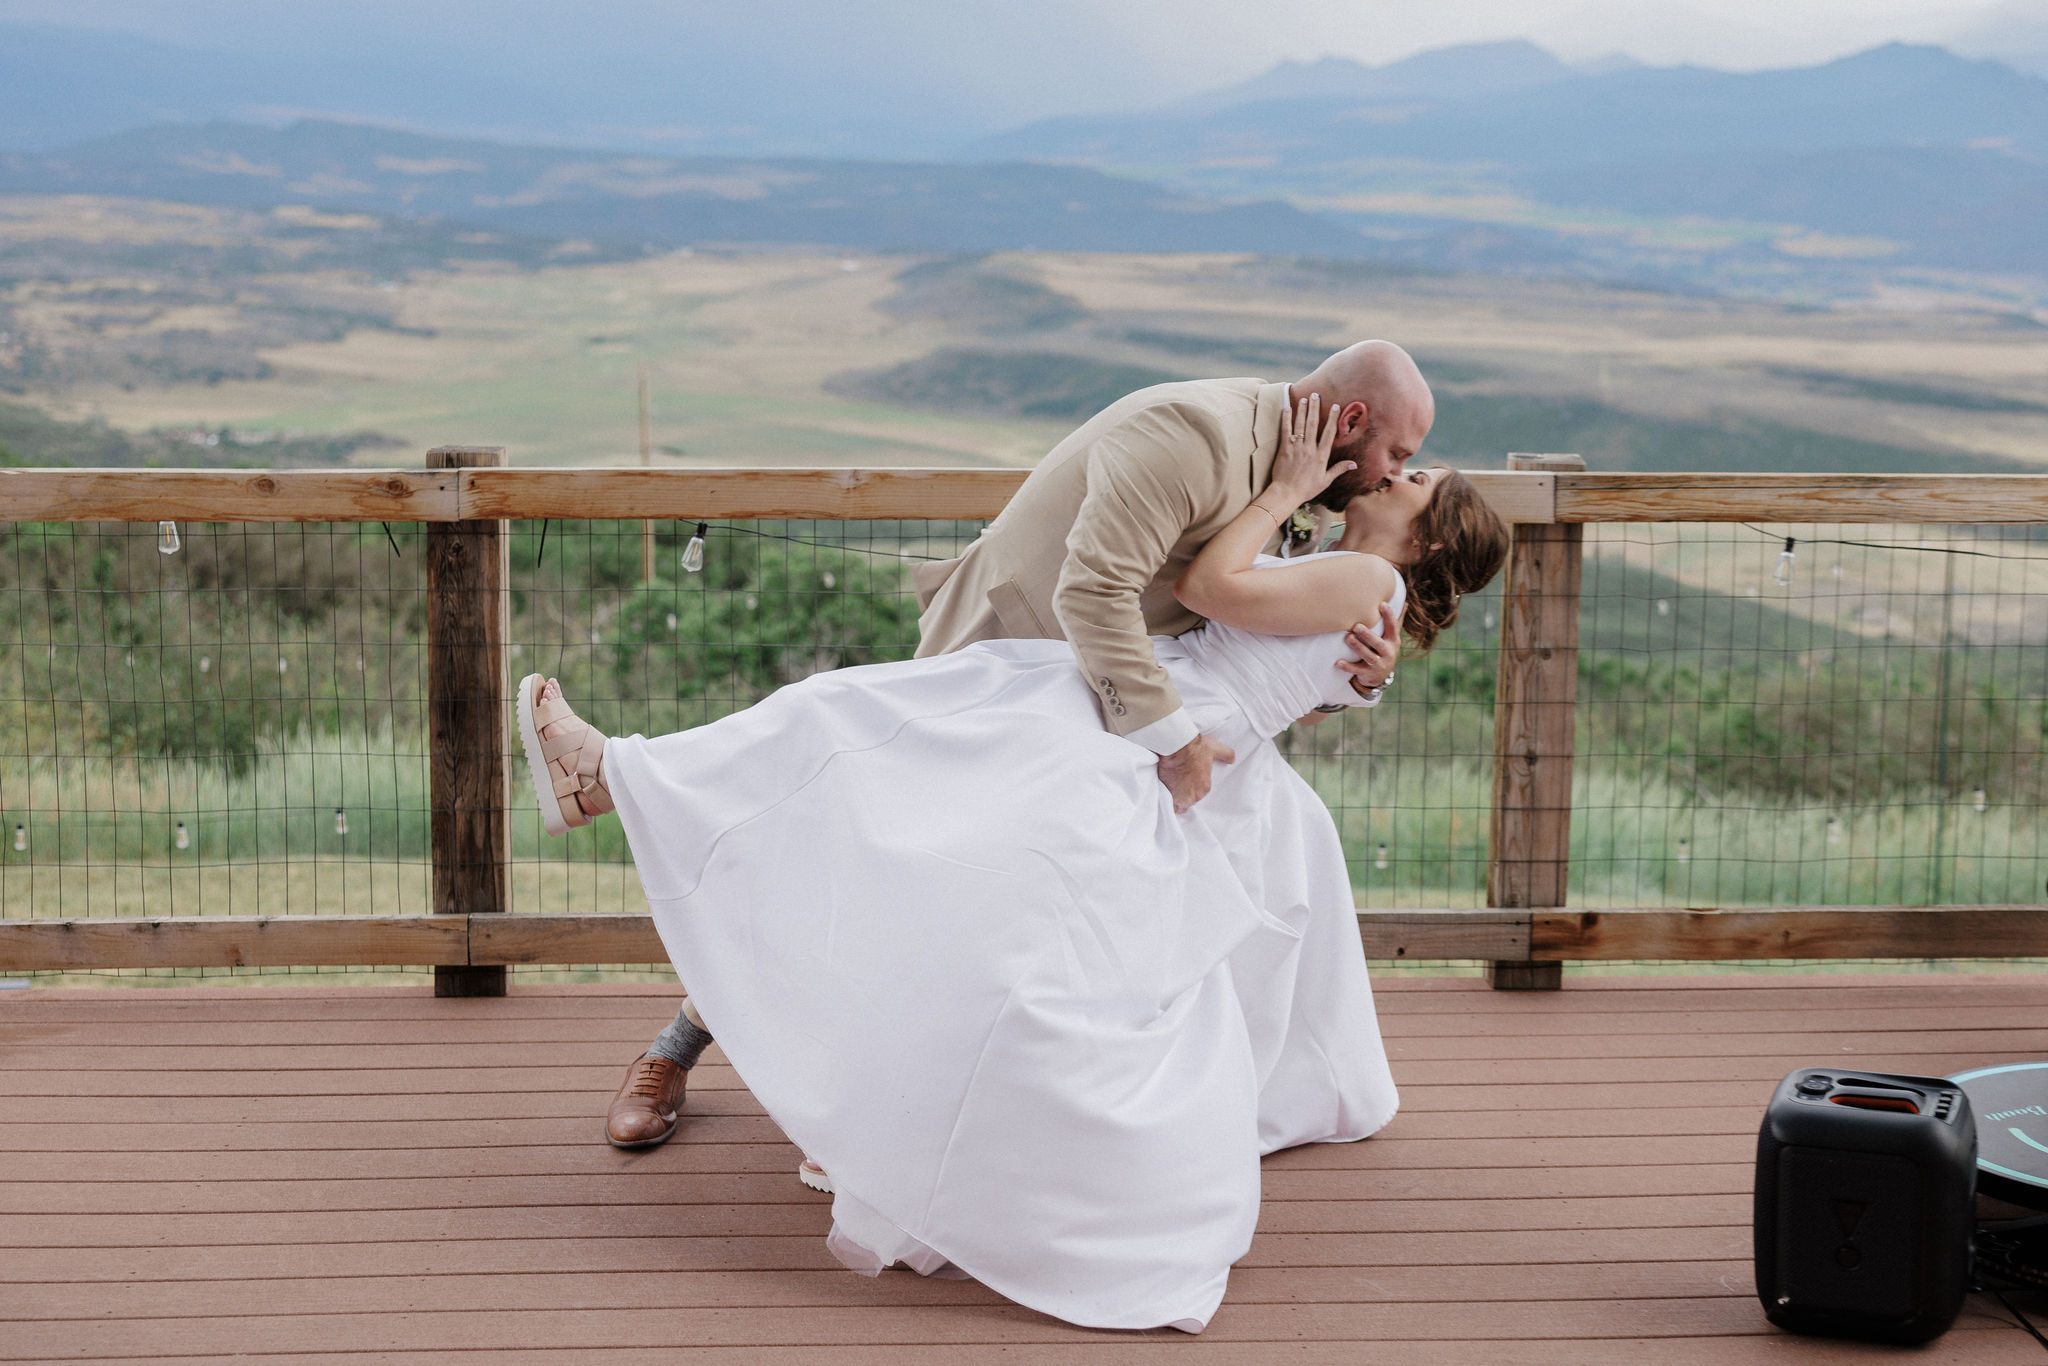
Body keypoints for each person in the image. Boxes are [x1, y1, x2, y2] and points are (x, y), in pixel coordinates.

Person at [516, 396, 1510, 1331]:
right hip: (1142, 710)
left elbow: (1210, 589)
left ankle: (618, 780)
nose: (1398, 473)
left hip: (1151, 727)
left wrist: (1282, 491)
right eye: (1402, 456)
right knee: (873, 748)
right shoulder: (1356, 590)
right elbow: (1274, 643)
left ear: (1421, 540)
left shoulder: (1364, 581)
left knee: (865, 742)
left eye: (1416, 480)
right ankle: (616, 783)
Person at [603, 339, 1435, 1148]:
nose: (1397, 472)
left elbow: (1276, 645)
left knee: (1014, 921)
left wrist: (1368, 672)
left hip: (1107, 719)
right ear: (1353, 418)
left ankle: (944, 1110)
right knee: (861, 860)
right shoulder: (1196, 432)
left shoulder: (1306, 486)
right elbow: (1095, 592)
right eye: (1398, 451)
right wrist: (1176, 741)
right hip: (1004, 663)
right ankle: (678, 1048)